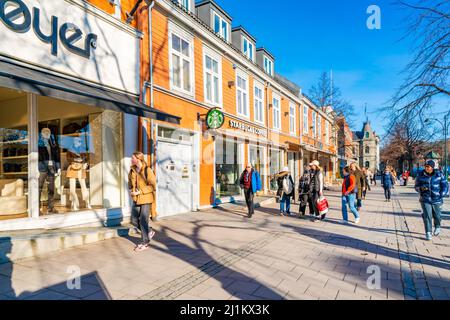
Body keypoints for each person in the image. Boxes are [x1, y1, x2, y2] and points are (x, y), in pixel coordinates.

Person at [128, 151, 156, 252]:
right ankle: (149, 231)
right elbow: (130, 183)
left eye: (133, 158)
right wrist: (131, 190)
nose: (131, 160)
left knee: (143, 220)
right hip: (136, 198)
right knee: (134, 220)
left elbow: (152, 186)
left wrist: (139, 192)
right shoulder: (132, 170)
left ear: (138, 159)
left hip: (146, 198)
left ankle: (145, 243)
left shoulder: (147, 170)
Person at [414, 160, 448, 241]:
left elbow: (445, 185)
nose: (426, 168)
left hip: (437, 199)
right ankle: (428, 232)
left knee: (437, 215)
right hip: (425, 199)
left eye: (428, 167)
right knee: (427, 216)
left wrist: (442, 194)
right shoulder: (420, 175)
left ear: (432, 167)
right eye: (425, 167)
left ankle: (437, 226)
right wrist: (420, 189)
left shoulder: (439, 174)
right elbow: (416, 186)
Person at [38, 128, 61, 214]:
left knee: (51, 189)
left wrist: (58, 167)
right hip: (42, 168)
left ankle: (51, 208)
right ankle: (36, 208)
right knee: (39, 188)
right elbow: (35, 157)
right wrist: (35, 168)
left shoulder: (52, 143)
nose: (47, 133)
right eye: (45, 132)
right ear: (41, 133)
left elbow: (56, 156)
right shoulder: (38, 143)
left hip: (51, 168)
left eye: (48, 132)